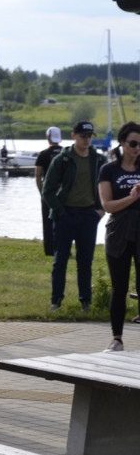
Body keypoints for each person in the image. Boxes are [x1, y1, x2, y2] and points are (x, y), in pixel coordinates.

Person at [42, 121, 105, 313]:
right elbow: (48, 190)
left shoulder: (98, 160)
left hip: (88, 215)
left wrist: (100, 210)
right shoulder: (63, 159)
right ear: (74, 136)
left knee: (85, 261)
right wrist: (60, 212)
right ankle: (56, 300)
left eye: (89, 136)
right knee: (60, 260)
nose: (86, 140)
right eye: (83, 136)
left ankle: (85, 301)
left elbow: (105, 187)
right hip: (66, 214)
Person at [98, 122, 140, 353]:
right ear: (123, 143)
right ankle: (117, 339)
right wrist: (133, 197)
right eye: (133, 143)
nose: (137, 148)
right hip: (119, 231)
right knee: (119, 286)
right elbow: (108, 205)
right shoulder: (109, 170)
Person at [35, 126, 63, 257]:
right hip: (64, 192)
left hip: (48, 192)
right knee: (64, 221)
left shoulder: (43, 154)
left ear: (48, 137)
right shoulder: (66, 152)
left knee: (48, 222)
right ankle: (63, 247)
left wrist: (42, 193)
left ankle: (49, 250)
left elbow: (38, 175)